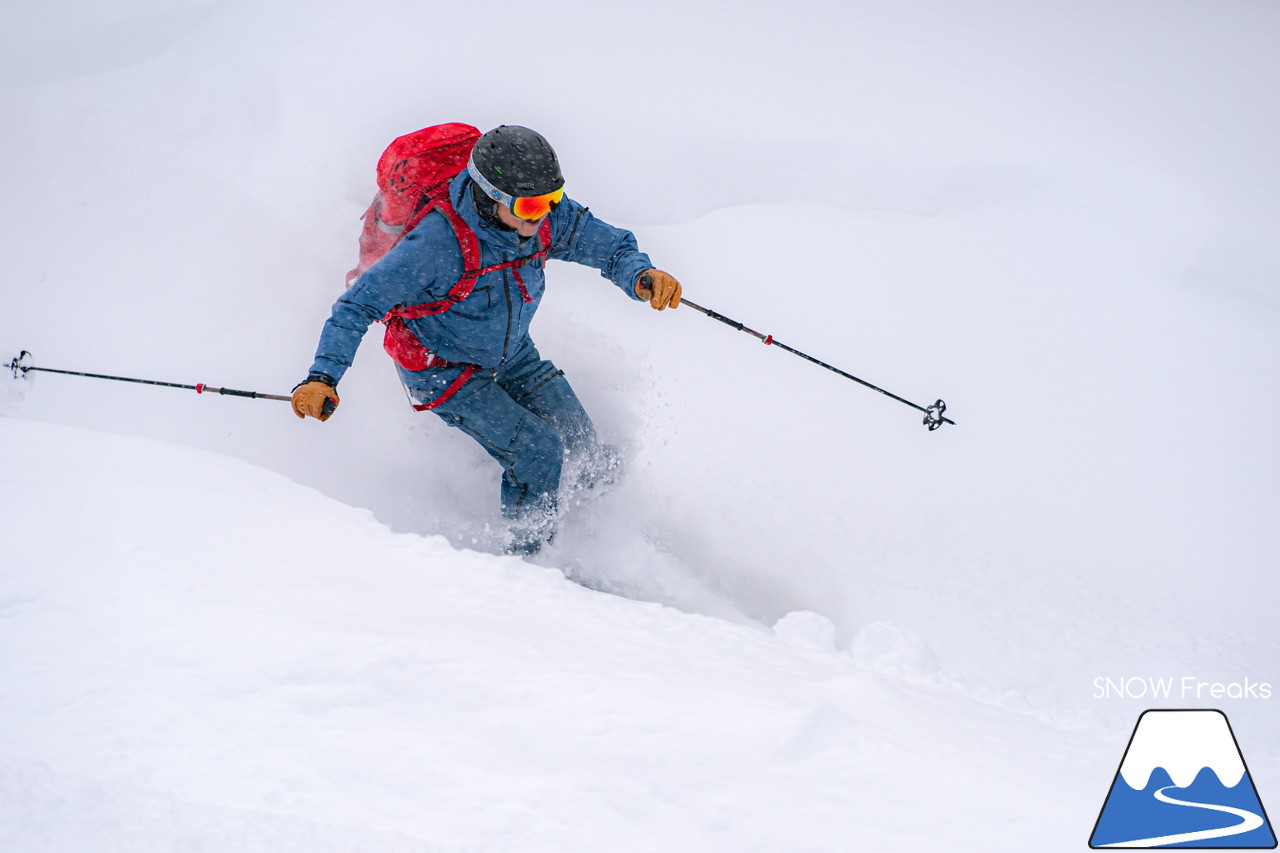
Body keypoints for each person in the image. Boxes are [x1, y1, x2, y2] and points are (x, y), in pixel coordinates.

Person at [291, 125, 682, 555]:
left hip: (511, 353)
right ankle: (529, 564)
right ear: (490, 195)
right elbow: (355, 307)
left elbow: (610, 247)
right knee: (538, 451)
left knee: (582, 443)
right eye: (532, 204)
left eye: (551, 200)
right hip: (442, 369)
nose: (542, 214)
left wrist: (640, 275)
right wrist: (322, 377)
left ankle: (598, 541)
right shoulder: (436, 244)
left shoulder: (543, 218)